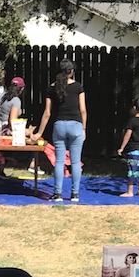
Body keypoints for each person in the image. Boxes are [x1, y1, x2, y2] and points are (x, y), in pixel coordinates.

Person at [35, 59, 86, 203]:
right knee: (75, 162)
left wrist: (39, 132)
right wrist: (84, 128)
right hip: (76, 125)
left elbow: (47, 112)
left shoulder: (52, 88)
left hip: (59, 126)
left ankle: (57, 193)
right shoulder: (78, 87)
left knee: (59, 161)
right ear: (71, 72)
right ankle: (75, 194)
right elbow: (83, 110)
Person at [117, 97, 139, 198]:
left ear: (135, 108)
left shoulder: (132, 121)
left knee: (132, 170)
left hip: (133, 150)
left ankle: (130, 191)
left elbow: (128, 135)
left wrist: (122, 147)